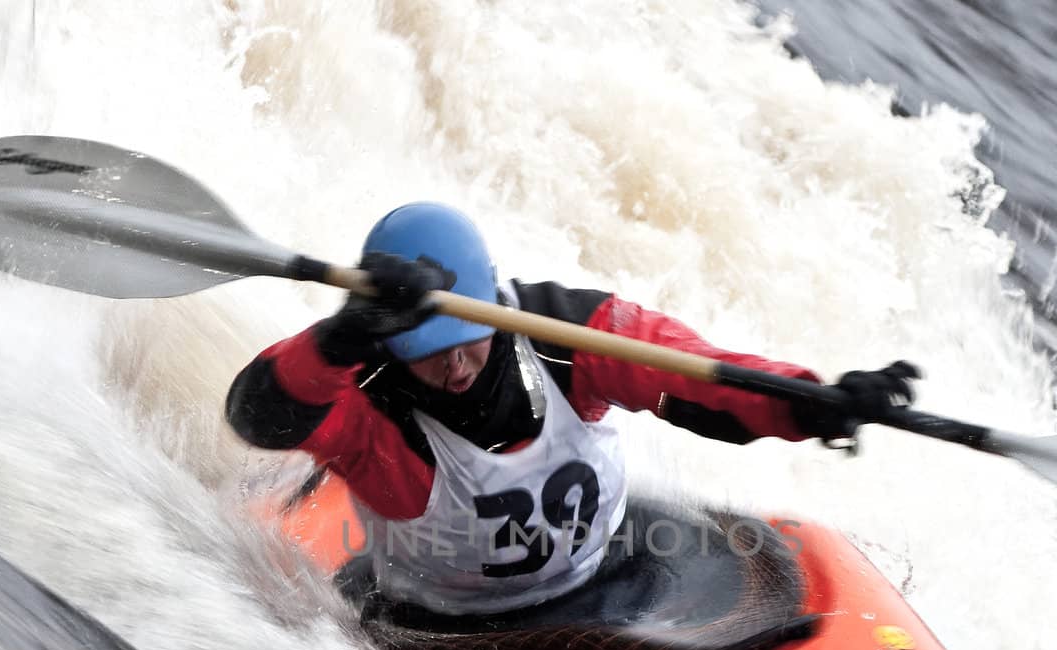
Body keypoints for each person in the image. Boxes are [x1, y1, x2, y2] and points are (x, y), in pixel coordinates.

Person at [226, 202, 919, 616]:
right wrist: (334, 339)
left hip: (605, 569)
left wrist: (815, 402)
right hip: (440, 621)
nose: (454, 362)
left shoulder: (568, 334)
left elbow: (710, 382)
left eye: (465, 338)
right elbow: (258, 414)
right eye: (429, 348)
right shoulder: (370, 397)